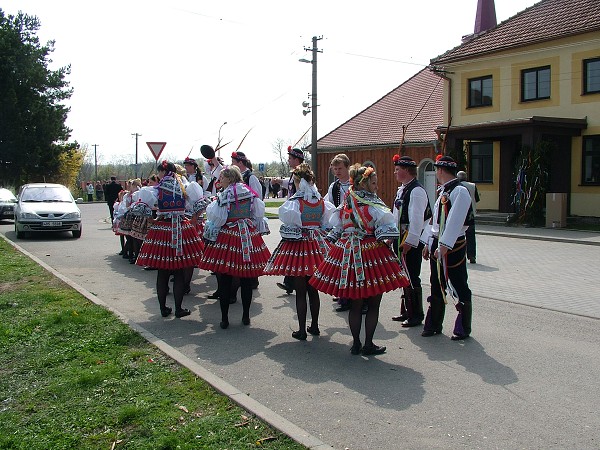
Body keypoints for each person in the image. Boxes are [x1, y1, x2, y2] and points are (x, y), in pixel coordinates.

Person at [310, 164, 410, 356]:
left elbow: (336, 228)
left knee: (355, 303)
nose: (376, 187)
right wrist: (387, 238)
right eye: (374, 183)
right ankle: (368, 344)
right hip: (371, 253)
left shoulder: (346, 203)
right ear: (365, 183)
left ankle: (356, 343)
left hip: (347, 253)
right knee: (373, 303)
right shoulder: (374, 204)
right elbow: (387, 230)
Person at [264, 163, 335, 340]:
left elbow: (290, 222)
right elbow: (327, 222)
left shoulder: (294, 203)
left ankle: (302, 330)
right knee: (314, 290)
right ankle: (315, 326)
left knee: (301, 291)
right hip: (317, 246)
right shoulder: (321, 202)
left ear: (297, 182)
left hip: (299, 247)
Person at [200, 166, 271, 329]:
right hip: (248, 234)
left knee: (225, 277)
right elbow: (257, 213)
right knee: (246, 278)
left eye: (222, 178)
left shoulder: (226, 194)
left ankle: (224, 318)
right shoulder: (249, 191)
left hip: (229, 236)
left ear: (230, 179)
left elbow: (218, 217)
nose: (220, 181)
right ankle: (246, 316)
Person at [135, 160, 205, 318]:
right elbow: (200, 205)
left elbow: (142, 209)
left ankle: (162, 308)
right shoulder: (185, 187)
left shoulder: (155, 190)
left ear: (161, 173)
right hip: (181, 228)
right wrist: (193, 217)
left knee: (162, 271)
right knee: (179, 270)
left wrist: (152, 219)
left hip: (162, 230)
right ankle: (179, 308)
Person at [420, 156, 474, 341]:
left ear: (441, 170)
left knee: (458, 282)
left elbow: (455, 221)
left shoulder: (460, 191)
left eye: (436, 170)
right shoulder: (444, 191)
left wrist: (443, 245)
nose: (436, 173)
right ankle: (434, 323)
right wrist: (428, 243)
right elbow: (435, 222)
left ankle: (463, 326)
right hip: (438, 242)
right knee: (436, 283)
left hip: (452, 244)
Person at [391, 155, 432, 327]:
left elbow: (417, 219)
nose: (395, 172)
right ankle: (406, 309)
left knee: (412, 275)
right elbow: (396, 215)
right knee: (404, 275)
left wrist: (410, 242)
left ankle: (416, 314)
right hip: (400, 237)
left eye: (398, 169)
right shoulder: (403, 189)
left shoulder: (416, 191)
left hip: (410, 241)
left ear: (407, 171)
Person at [323, 153, 353, 312]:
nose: (337, 172)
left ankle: (353, 297)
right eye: (335, 169)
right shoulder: (333, 186)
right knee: (341, 262)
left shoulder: (355, 184)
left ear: (348, 167)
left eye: (340, 168)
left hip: (354, 228)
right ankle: (343, 294)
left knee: (352, 264)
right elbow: (328, 205)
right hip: (340, 228)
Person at [276, 146, 306, 296]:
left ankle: (293, 281)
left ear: (296, 159)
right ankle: (290, 281)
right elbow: (289, 185)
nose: (288, 160)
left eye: (290, 158)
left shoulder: (302, 174)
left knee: (295, 248)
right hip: (293, 213)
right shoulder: (295, 174)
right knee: (292, 249)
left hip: (298, 215)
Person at [457, 170, 480, 264]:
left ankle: (459, 255)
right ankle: (472, 256)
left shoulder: (457, 187)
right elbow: (477, 199)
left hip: (459, 215)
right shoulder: (473, 186)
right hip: (471, 215)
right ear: (466, 178)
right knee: (470, 236)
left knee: (458, 236)